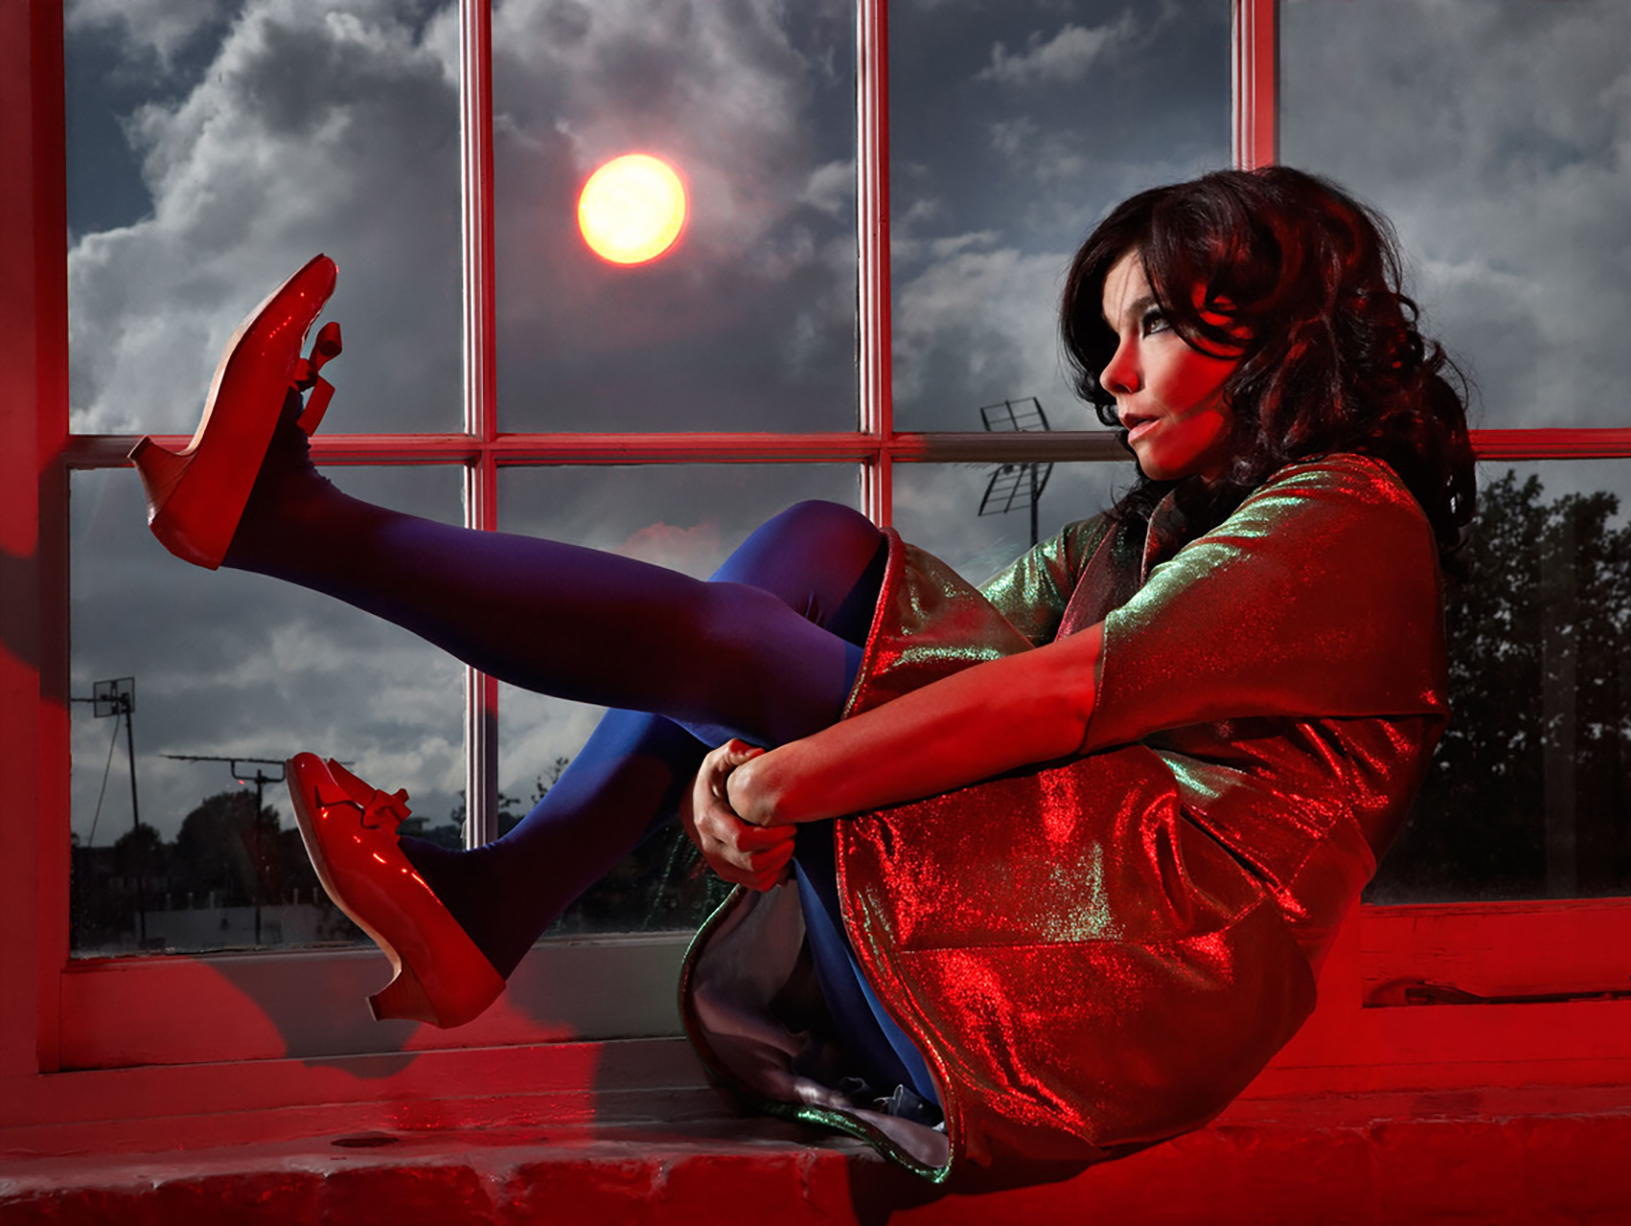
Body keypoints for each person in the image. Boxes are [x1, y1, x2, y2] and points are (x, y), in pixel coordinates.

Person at [129, 165, 1473, 1179]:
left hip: (1114, 989)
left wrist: (770, 783)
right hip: (1026, 929)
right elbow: (935, 659)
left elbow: (1051, 698)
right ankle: (492, 899)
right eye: (1108, 339)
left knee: (778, 654)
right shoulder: (1134, 539)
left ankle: (289, 528)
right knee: (820, 549)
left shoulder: (1347, 516)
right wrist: (738, 768)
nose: (1112, 376)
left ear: (1290, 331)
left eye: (1157, 325)